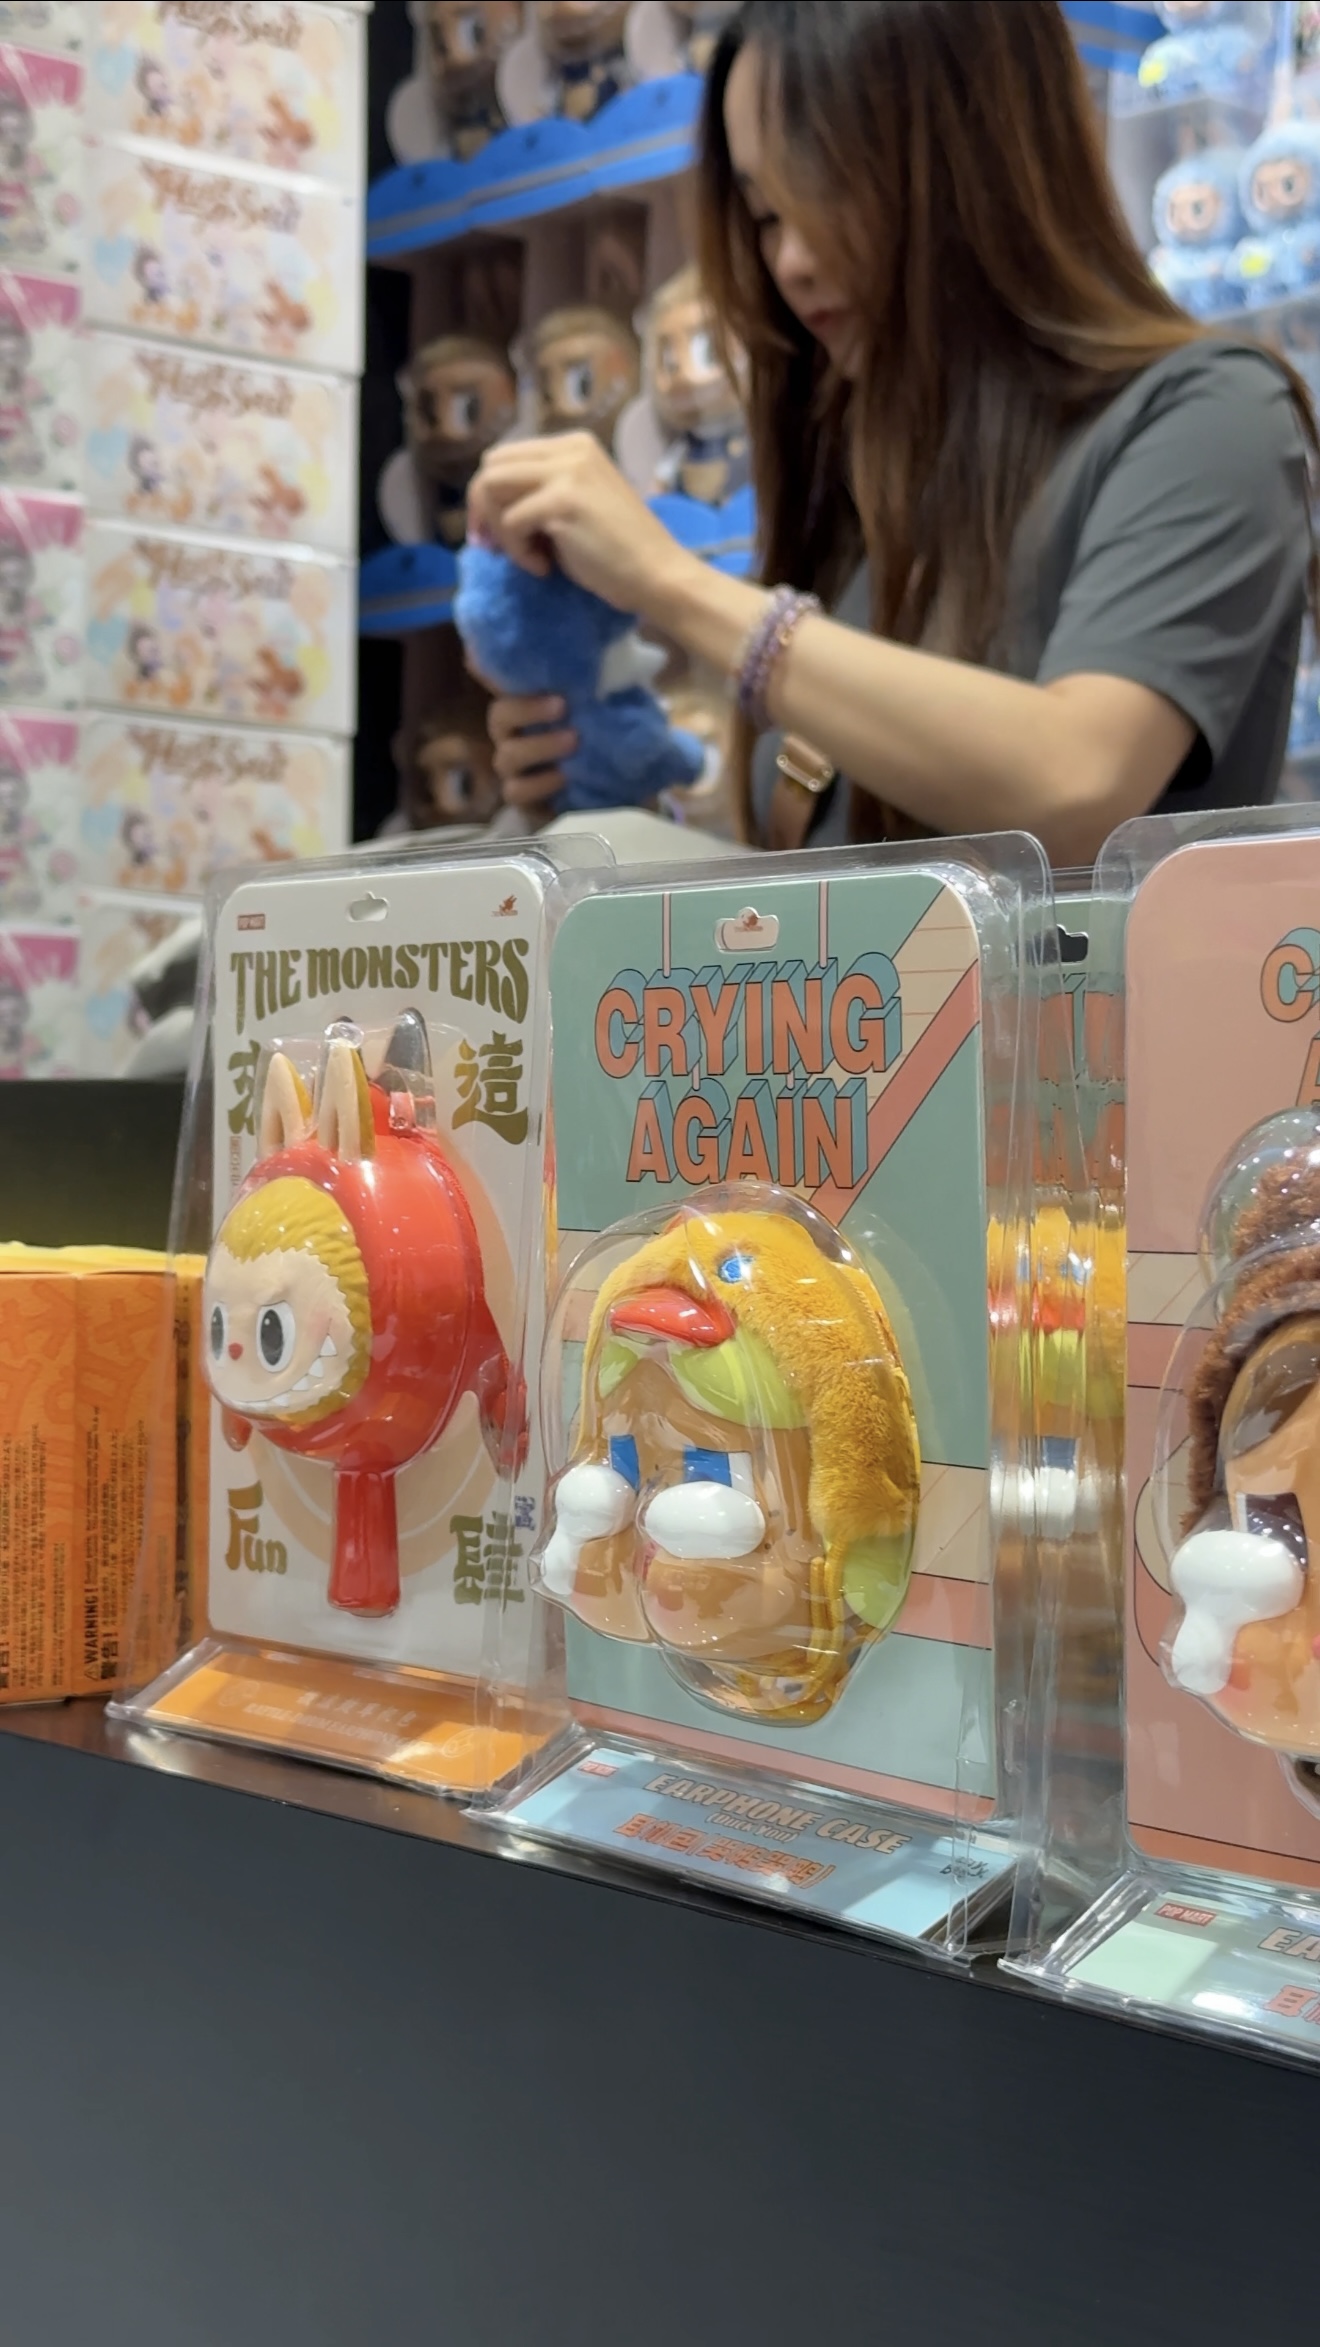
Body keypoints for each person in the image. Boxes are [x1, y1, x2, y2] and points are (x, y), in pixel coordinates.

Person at [468, 0, 1316, 868]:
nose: (790, 261)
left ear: (976, 159)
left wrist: (669, 583)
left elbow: (1078, 786)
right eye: (766, 214)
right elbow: (837, 882)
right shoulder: (863, 471)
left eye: (827, 188)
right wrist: (616, 797)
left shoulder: (1211, 417)